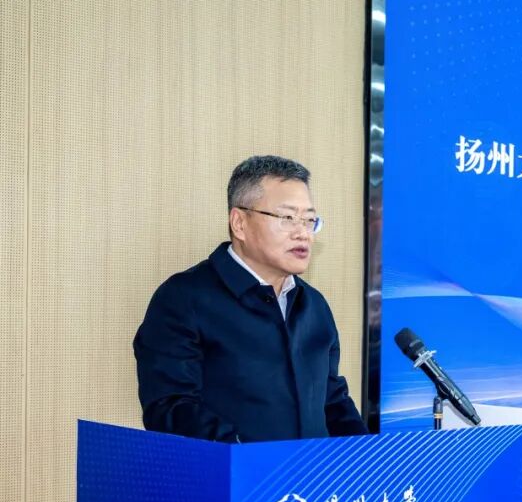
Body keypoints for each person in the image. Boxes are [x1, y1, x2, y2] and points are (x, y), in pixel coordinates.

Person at [133, 155, 368, 442]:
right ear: (239, 223)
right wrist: (246, 454)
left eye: (309, 220)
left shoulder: (314, 306)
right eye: (287, 218)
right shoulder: (184, 299)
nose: (303, 233)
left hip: (309, 472)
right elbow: (169, 407)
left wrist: (367, 456)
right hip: (230, 470)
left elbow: (332, 403)